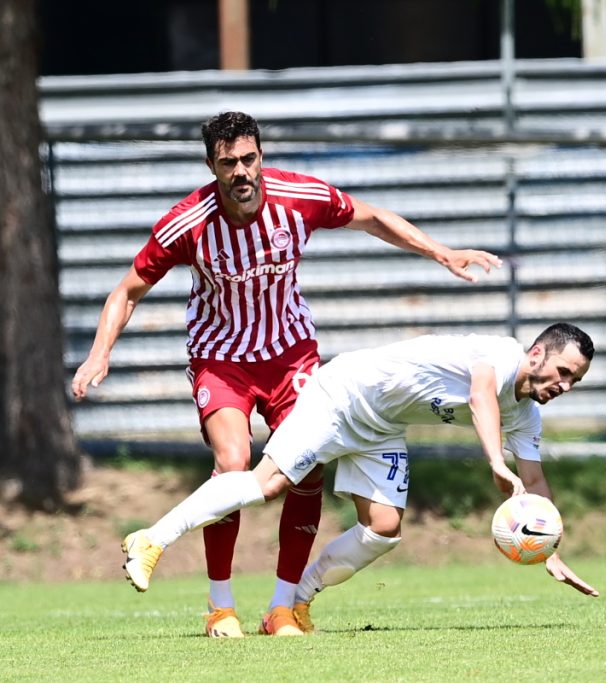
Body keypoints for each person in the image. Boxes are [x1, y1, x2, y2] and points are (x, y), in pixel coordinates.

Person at [71, 111, 502, 638]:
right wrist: (99, 353)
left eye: (249, 159)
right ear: (212, 166)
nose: (241, 173)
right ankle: (220, 606)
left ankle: (283, 608)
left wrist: (440, 251)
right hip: (220, 358)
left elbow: (371, 217)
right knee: (232, 463)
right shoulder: (187, 224)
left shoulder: (300, 198)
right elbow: (127, 290)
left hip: (290, 356)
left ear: (261, 158)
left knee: (306, 468)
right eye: (228, 164)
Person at [120, 323, 600, 635]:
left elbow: (535, 484)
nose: (564, 386)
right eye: (562, 372)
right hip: (343, 395)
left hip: (380, 428)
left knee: (384, 528)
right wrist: (496, 460)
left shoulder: (528, 416)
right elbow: (480, 397)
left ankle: (291, 606)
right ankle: (151, 539)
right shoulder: (497, 354)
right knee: (267, 484)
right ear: (536, 353)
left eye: (574, 382)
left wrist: (549, 549)